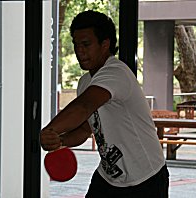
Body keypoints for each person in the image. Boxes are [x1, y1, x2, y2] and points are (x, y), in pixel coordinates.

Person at [40, 10, 169, 198]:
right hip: (109, 177)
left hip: (145, 177)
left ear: (105, 44)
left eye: (86, 44)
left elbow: (84, 106)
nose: (79, 51)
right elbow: (85, 130)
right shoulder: (85, 82)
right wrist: (60, 140)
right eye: (76, 45)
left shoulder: (116, 72)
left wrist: (50, 129)